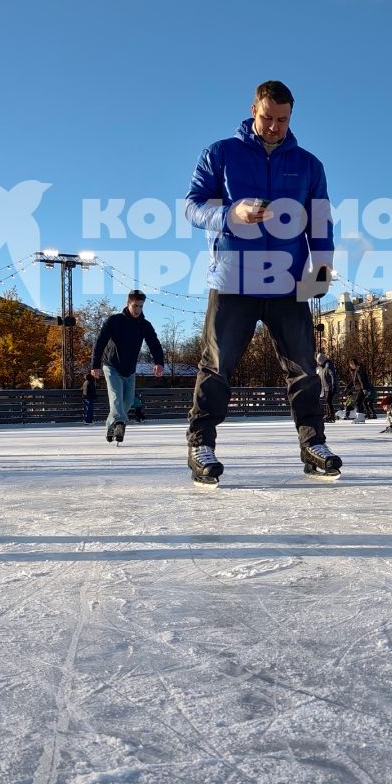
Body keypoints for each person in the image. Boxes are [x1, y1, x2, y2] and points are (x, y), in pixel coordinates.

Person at [182, 80, 337, 486]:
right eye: (267, 118)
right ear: (253, 109)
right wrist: (232, 213)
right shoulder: (220, 154)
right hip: (234, 279)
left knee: (303, 366)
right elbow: (193, 207)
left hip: (287, 282)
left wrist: (322, 266)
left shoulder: (308, 165)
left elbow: (319, 220)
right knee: (217, 365)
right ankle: (201, 444)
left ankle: (313, 443)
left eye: (282, 120)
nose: (274, 127)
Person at [89, 291, 165, 444]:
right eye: (135, 306)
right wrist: (95, 365)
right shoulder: (114, 321)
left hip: (130, 369)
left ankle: (111, 424)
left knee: (129, 400)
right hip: (111, 366)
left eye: (141, 307)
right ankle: (119, 423)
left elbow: (154, 344)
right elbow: (100, 342)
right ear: (128, 303)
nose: (137, 310)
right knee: (116, 396)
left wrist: (159, 362)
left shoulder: (144, 325)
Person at [315, 352, 339, 423]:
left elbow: (332, 375)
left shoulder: (328, 365)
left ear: (321, 360)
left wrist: (333, 385)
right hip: (325, 387)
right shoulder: (322, 367)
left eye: (319, 361)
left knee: (329, 401)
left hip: (330, 387)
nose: (318, 363)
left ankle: (332, 415)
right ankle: (329, 415)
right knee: (327, 401)